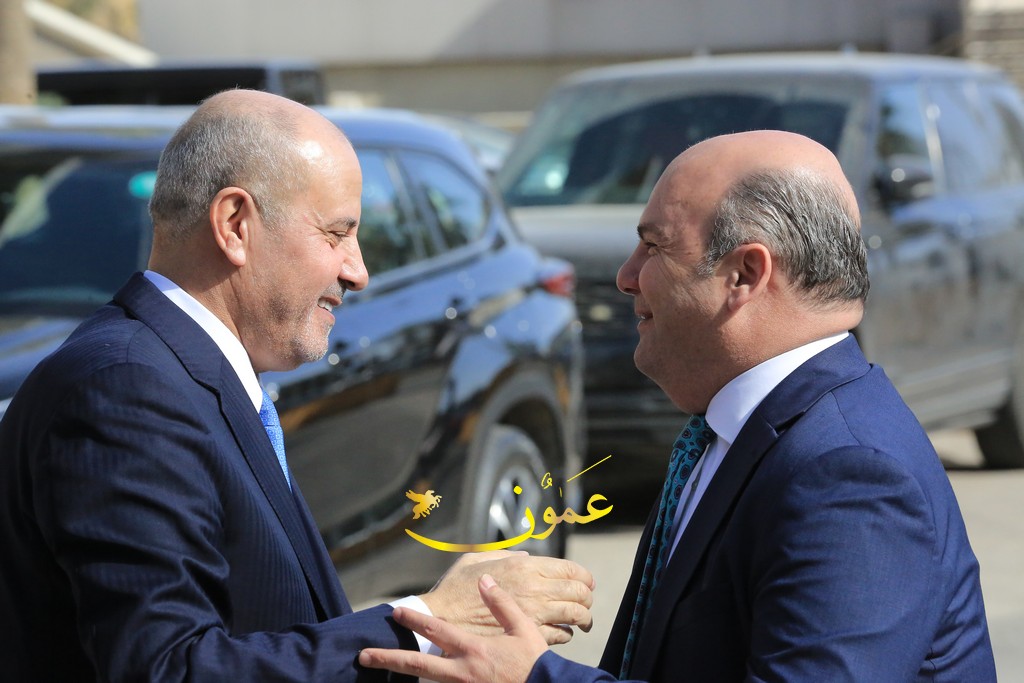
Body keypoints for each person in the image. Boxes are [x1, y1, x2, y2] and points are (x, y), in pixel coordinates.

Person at [357, 130, 998, 682]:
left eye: (655, 247)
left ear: (745, 274)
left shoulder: (849, 474)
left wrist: (533, 677)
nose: (626, 275)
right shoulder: (742, 430)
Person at [0, 89, 595, 681]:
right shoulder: (127, 392)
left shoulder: (186, 376)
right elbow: (168, 670)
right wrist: (428, 621)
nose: (358, 271)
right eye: (336, 234)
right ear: (235, 225)